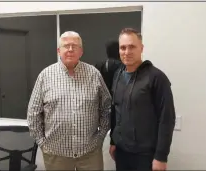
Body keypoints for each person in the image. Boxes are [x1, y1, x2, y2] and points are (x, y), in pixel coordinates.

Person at [27, 31, 111, 170]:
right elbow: (33, 113)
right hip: (56, 155)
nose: (70, 49)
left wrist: (100, 137)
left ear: (81, 51)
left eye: (75, 46)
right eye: (66, 46)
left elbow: (107, 108)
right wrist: (42, 143)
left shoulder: (94, 74)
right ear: (59, 51)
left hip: (90, 154)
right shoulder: (45, 76)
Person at [109, 28, 176, 171]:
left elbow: (167, 119)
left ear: (141, 48)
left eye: (132, 47)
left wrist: (161, 156)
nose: (127, 52)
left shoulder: (156, 78)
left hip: (146, 156)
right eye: (123, 48)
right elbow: (115, 111)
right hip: (121, 153)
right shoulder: (117, 75)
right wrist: (113, 141)